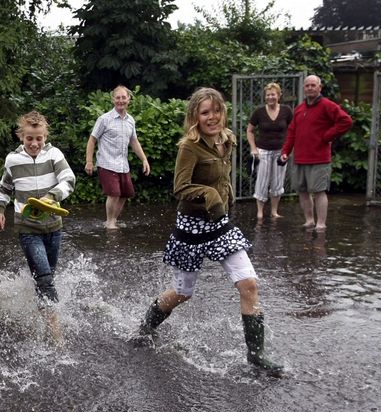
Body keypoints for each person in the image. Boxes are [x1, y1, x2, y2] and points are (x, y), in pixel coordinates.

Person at [136, 88, 283, 374]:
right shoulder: (189, 147)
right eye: (205, 112)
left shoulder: (227, 140)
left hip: (220, 225)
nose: (212, 117)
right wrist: (209, 195)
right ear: (195, 117)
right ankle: (144, 328)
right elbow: (179, 188)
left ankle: (256, 355)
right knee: (182, 293)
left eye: (216, 111)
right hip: (191, 228)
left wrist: (225, 202)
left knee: (249, 284)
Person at [0, 111, 76, 337]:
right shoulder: (13, 160)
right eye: (30, 138)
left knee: (45, 277)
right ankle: (55, 332)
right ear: (22, 137)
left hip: (54, 227)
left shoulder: (54, 155)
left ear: (45, 136)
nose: (34, 143)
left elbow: (69, 179)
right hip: (27, 228)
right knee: (46, 278)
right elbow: (4, 189)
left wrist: (52, 196)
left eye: (39, 138)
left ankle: (40, 318)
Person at [280, 75, 353, 230]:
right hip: (300, 158)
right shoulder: (299, 109)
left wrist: (327, 136)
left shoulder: (328, 105)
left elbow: (346, 121)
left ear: (320, 87)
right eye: (307, 85)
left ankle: (321, 223)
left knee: (319, 191)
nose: (310, 88)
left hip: (319, 158)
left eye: (313, 85)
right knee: (302, 191)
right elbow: (292, 132)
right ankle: (309, 220)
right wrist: (285, 152)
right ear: (304, 88)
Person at [84, 85, 151, 229]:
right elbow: (92, 139)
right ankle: (109, 222)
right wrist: (89, 162)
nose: (121, 100)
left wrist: (144, 160)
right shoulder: (104, 119)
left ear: (129, 99)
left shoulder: (130, 120)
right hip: (106, 163)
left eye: (124, 97)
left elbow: (134, 141)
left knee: (125, 194)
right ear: (113, 99)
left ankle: (113, 220)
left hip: (123, 165)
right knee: (114, 193)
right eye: (118, 97)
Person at [246, 82, 293, 221]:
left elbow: (293, 130)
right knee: (262, 181)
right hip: (263, 151)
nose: (270, 97)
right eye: (268, 95)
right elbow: (249, 130)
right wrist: (253, 148)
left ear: (278, 95)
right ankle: (259, 212)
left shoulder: (286, 111)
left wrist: (288, 149)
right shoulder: (259, 112)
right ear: (265, 97)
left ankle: (274, 211)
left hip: (281, 151)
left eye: (273, 94)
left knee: (278, 182)